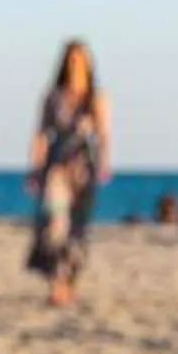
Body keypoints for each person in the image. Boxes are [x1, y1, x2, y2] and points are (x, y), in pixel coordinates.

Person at [24, 40, 113, 306]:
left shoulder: (96, 97)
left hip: (83, 167)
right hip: (57, 166)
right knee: (54, 223)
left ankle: (69, 283)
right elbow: (41, 133)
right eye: (71, 59)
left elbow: (104, 134)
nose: (75, 65)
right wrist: (35, 168)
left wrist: (104, 163)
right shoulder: (53, 96)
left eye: (80, 60)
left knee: (77, 228)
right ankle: (55, 284)